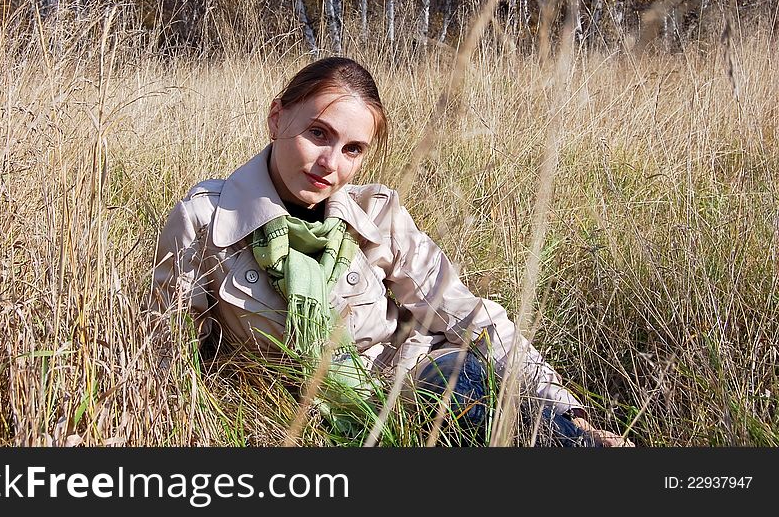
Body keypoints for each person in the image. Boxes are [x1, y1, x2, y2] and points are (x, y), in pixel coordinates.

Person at [151, 56, 633, 447]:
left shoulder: (376, 215)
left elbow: (472, 317)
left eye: (352, 149)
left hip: (414, 386)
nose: (330, 163)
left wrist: (569, 412)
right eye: (318, 133)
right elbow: (171, 358)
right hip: (302, 418)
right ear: (277, 117)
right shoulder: (204, 220)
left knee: (481, 392)